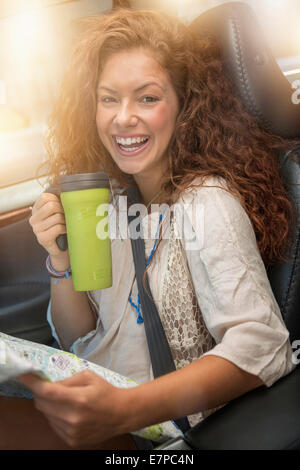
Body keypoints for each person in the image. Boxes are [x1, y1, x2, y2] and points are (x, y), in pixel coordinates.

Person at [0, 7, 299, 450]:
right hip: (99, 406)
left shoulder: (207, 202)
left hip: (154, 430)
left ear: (183, 107)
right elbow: (79, 336)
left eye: (147, 98)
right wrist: (60, 260)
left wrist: (125, 409)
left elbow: (261, 345)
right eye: (108, 98)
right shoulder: (111, 205)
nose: (123, 118)